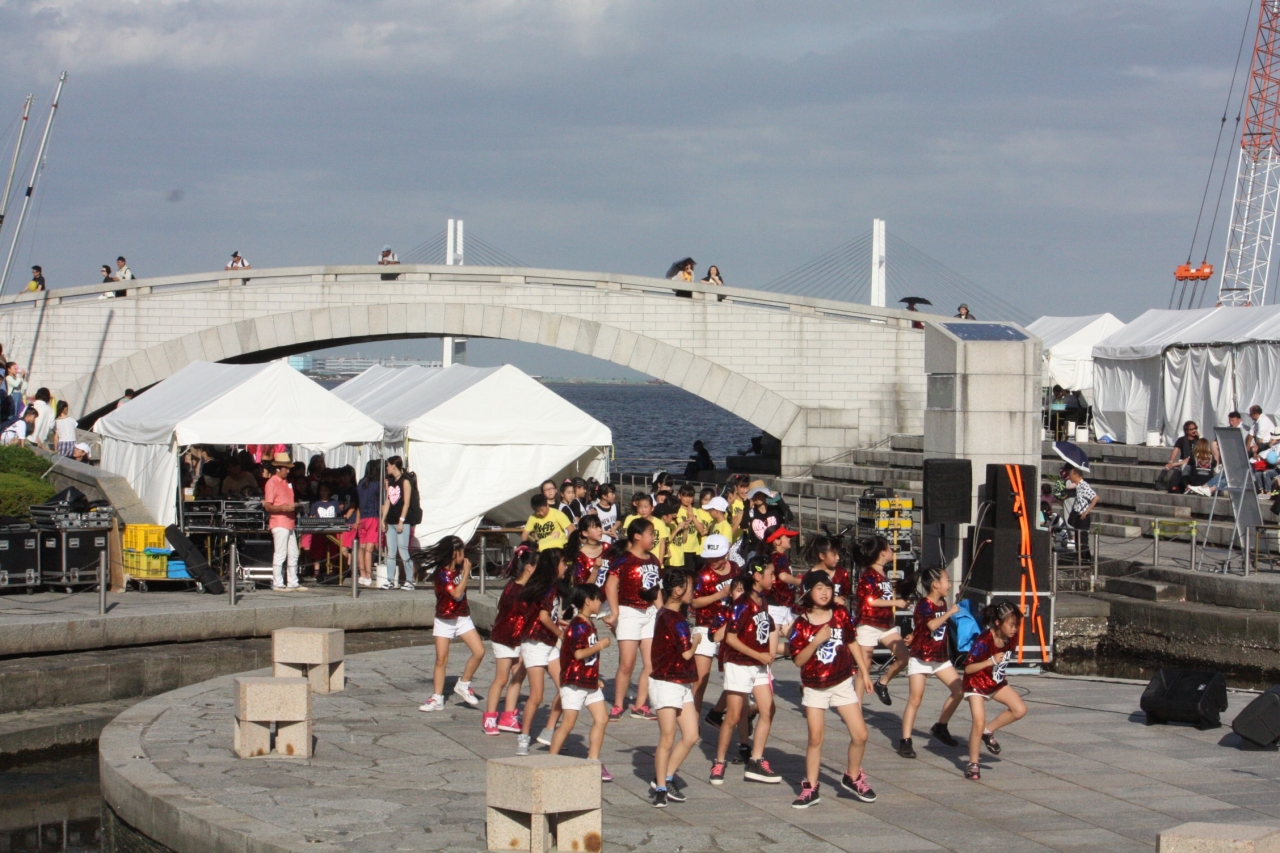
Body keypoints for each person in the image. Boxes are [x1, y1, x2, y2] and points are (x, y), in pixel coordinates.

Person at [788, 571, 876, 807]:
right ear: (808, 592)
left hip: (842, 681)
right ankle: (811, 788)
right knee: (815, 738)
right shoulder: (801, 624)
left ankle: (853, 776)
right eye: (819, 588)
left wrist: (865, 672)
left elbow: (851, 641)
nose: (825, 592)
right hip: (814, 686)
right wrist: (816, 640)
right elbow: (798, 660)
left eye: (828, 587)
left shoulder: (840, 613)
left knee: (861, 734)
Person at [711, 559, 779, 785]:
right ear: (758, 576)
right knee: (732, 715)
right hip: (739, 664)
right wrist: (759, 655)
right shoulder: (741, 605)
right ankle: (719, 761)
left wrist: (769, 653)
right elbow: (730, 638)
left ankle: (756, 760)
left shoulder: (762, 601)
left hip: (758, 666)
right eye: (770, 573)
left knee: (768, 709)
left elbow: (767, 629)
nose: (774, 578)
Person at [648, 569, 703, 808]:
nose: (694, 592)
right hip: (666, 683)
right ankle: (661, 788)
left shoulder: (665, 613)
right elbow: (687, 653)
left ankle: (666, 777)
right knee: (667, 738)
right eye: (690, 587)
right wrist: (697, 640)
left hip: (681, 682)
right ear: (678, 591)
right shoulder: (676, 619)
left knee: (691, 735)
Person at [549, 583, 613, 782]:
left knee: (602, 718)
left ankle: (593, 761)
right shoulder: (578, 625)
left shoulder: (589, 623)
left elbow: (588, 659)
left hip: (589, 681)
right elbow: (578, 654)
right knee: (568, 723)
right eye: (598, 599)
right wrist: (600, 645)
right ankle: (549, 762)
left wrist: (595, 677)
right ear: (587, 601)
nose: (600, 603)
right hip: (574, 681)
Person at [898, 567, 964, 759]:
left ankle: (941, 726)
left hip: (940, 657)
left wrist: (913, 635)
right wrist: (950, 613)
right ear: (936, 584)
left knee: (959, 690)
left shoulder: (942, 603)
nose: (949, 585)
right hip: (921, 657)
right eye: (947, 581)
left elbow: (922, 628)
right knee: (915, 699)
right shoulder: (924, 605)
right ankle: (905, 741)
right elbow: (931, 624)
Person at [962, 602, 1029, 781]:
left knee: (1019, 710)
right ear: (998, 623)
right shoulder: (984, 640)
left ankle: (988, 731)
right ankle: (973, 764)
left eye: (1017, 625)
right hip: (976, 682)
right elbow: (968, 668)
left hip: (995, 681)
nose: (1015, 629)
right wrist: (990, 661)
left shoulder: (1011, 638)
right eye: (1011, 625)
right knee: (978, 721)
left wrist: (998, 672)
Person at [605, 518, 664, 721]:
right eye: (651, 534)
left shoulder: (653, 559)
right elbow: (610, 586)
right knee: (627, 662)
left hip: (649, 613)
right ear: (637, 536)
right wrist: (614, 613)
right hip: (629, 612)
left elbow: (655, 588)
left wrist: (663, 613)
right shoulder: (624, 559)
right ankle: (618, 704)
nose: (653, 538)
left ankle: (640, 705)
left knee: (651, 663)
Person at [418, 536, 486, 711]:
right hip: (444, 619)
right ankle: (437, 698)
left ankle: (464, 683)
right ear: (454, 553)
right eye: (461, 552)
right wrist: (466, 574)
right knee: (441, 659)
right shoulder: (442, 574)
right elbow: (456, 593)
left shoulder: (458, 570)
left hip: (462, 617)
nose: (464, 556)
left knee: (479, 651)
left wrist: (463, 573)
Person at [516, 548, 569, 756]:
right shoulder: (548, 588)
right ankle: (524, 737)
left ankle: (549, 731)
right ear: (555, 565)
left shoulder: (551, 587)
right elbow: (543, 617)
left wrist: (558, 621)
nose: (566, 567)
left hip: (548, 643)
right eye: (563, 563)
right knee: (536, 695)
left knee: (565, 687)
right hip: (536, 643)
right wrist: (560, 634)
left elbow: (547, 614)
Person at [484, 546, 536, 736]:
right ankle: (490, 716)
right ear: (529, 568)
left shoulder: (516, 586)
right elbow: (531, 614)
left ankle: (508, 716)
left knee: (518, 675)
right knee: (501, 679)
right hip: (505, 638)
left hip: (519, 639)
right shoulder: (518, 591)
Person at [854, 536, 911, 705]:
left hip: (886, 625)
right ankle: (856, 709)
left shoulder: (883, 574)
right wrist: (895, 602)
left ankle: (882, 683)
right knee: (864, 669)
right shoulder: (869, 575)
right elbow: (870, 601)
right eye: (889, 548)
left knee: (904, 656)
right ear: (882, 553)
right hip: (868, 624)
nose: (892, 551)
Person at [691, 534, 734, 714]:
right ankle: (693, 721)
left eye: (717, 557)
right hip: (706, 627)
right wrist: (719, 595)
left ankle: (716, 714)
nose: (713, 561)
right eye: (710, 558)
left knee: (734, 680)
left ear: (726, 554)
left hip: (729, 628)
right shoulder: (703, 575)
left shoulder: (736, 569)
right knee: (700, 681)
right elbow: (694, 602)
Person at [263, 452, 303, 592]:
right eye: (285, 468)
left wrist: (295, 507)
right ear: (278, 468)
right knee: (280, 553)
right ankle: (278, 583)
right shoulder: (271, 483)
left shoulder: (287, 483)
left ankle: (293, 581)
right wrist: (284, 508)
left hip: (289, 521)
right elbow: (268, 506)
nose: (288, 471)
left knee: (293, 553)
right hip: (279, 522)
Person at [381, 456, 420, 590]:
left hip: (402, 521)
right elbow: (388, 501)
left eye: (388, 465)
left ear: (394, 466)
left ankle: (410, 580)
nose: (387, 468)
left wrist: (401, 521)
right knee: (391, 552)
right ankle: (390, 580)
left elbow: (406, 503)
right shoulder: (391, 481)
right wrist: (383, 519)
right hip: (390, 521)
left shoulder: (405, 481)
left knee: (403, 551)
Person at [762, 525, 801, 638]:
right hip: (775, 607)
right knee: (772, 647)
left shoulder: (772, 557)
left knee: (797, 642)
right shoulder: (780, 557)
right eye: (786, 537)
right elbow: (783, 576)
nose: (789, 539)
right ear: (777, 541)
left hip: (782, 607)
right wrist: (797, 582)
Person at [355, 460, 382, 587]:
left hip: (362, 518)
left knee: (362, 547)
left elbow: (359, 504)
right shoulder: (376, 484)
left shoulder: (361, 483)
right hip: (373, 517)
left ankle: (362, 574)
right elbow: (381, 502)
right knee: (369, 549)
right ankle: (368, 575)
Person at [1063, 466, 1097, 561]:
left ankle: (1086, 561)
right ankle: (1080, 560)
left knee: (1083, 541)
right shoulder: (1078, 486)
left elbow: (1095, 498)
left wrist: (1086, 511)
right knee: (1078, 541)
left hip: (1083, 518)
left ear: (1076, 475)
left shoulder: (1084, 486)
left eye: (1071, 475)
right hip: (1078, 517)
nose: (1070, 477)